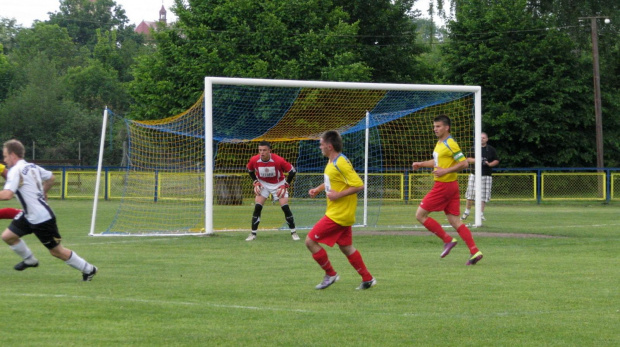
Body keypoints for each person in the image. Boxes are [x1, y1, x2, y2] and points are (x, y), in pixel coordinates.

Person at [0, 139, 98, 280]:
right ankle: (30, 260)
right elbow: (51, 177)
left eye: (5, 156)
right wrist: (44, 192)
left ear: (13, 155)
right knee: (8, 236)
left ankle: (89, 269)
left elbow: (7, 194)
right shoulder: (32, 166)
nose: (4, 160)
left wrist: (41, 193)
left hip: (41, 219)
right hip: (29, 215)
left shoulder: (16, 170)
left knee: (56, 251)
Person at [306, 130, 376, 290]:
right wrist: (318, 189)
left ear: (329, 146)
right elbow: (334, 181)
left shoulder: (341, 162)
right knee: (346, 247)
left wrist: (338, 195)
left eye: (321, 144)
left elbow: (359, 185)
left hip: (338, 214)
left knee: (310, 241)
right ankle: (368, 278)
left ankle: (330, 274)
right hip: (341, 214)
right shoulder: (333, 162)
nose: (320, 147)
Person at [411, 115, 483, 265]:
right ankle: (474, 251)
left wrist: (446, 171)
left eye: (438, 126)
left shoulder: (450, 143)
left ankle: (447, 240)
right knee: (455, 221)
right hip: (451, 186)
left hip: (443, 186)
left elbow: (464, 163)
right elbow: (437, 162)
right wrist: (422, 164)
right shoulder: (440, 143)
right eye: (434, 126)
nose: (435, 129)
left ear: (446, 127)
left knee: (420, 215)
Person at [246, 141, 299, 241]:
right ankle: (253, 234)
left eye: (264, 150)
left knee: (285, 207)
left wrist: (286, 184)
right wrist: (256, 181)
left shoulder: (278, 160)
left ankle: (293, 232)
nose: (262, 152)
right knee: (257, 206)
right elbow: (249, 170)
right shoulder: (254, 160)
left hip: (278, 184)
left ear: (269, 151)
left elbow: (292, 171)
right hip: (263, 184)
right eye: (260, 150)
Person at [461, 132, 499, 221]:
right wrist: (478, 159)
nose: (482, 139)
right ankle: (467, 212)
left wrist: (489, 164)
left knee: (483, 196)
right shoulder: (474, 148)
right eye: (480, 138)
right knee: (470, 194)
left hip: (486, 175)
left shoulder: (491, 149)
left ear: (487, 139)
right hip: (474, 174)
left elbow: (497, 160)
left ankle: (480, 214)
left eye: (484, 138)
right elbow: (468, 159)